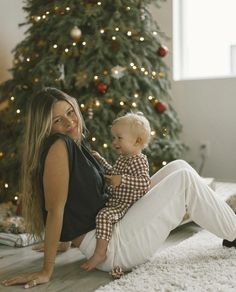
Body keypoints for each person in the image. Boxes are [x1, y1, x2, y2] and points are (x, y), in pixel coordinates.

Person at [2, 87, 236, 289]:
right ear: (45, 126)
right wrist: (46, 270)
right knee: (184, 179)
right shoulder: (58, 146)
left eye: (70, 112)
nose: (70, 122)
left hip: (114, 224)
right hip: (111, 247)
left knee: (178, 166)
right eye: (57, 120)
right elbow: (55, 209)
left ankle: (230, 227)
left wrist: (64, 242)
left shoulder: (74, 142)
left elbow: (73, 199)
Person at [81, 112, 151, 271]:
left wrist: (122, 180)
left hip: (126, 204)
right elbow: (114, 173)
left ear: (137, 141)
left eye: (119, 138)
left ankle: (100, 253)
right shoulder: (123, 158)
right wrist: (101, 160)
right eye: (114, 138)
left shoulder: (139, 160)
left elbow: (145, 182)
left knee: (104, 215)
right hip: (116, 199)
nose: (114, 142)